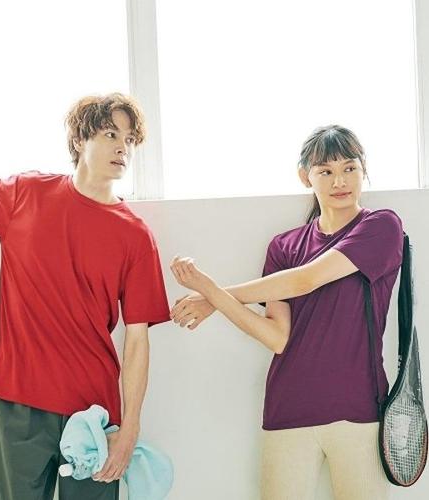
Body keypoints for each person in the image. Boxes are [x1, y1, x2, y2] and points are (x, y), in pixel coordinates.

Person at [0, 93, 171, 500]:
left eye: (130, 139)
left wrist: (130, 427)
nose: (122, 147)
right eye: (111, 134)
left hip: (93, 412)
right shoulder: (26, 194)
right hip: (19, 401)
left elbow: (137, 340)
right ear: (79, 140)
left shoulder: (135, 236)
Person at [169, 125, 403, 500]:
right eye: (325, 171)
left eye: (349, 168)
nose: (340, 181)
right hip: (288, 411)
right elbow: (276, 338)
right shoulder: (284, 246)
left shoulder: (381, 227)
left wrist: (212, 294)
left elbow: (304, 280)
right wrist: (214, 295)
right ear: (305, 176)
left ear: (363, 170)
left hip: (358, 411)